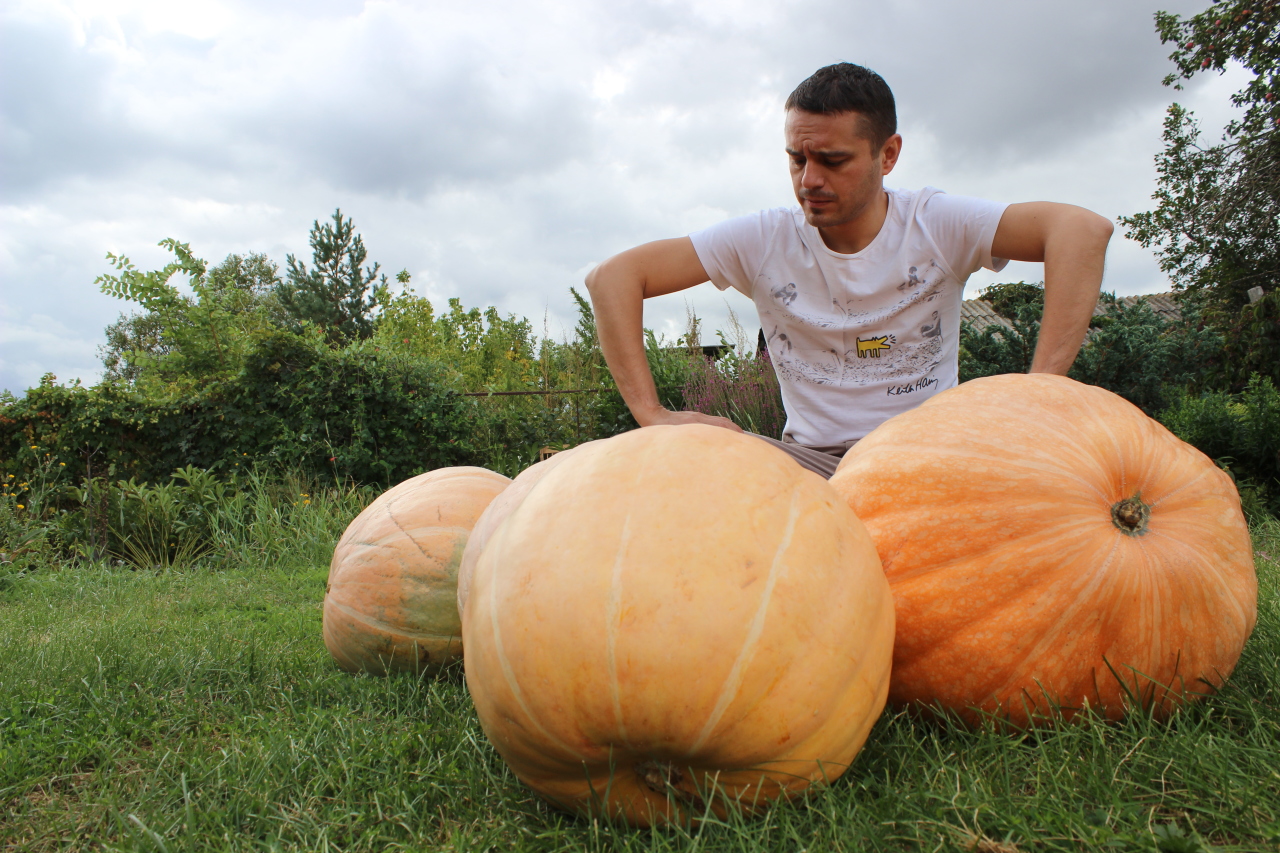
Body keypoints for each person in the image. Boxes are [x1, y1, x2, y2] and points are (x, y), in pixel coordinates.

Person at [584, 63, 1113, 478]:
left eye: (833, 161)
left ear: (888, 155)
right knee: (674, 465)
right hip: (809, 466)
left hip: (929, 462)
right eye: (796, 159)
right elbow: (612, 278)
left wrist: (1041, 394)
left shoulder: (937, 224)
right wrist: (651, 414)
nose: (809, 179)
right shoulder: (764, 238)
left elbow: (1081, 231)